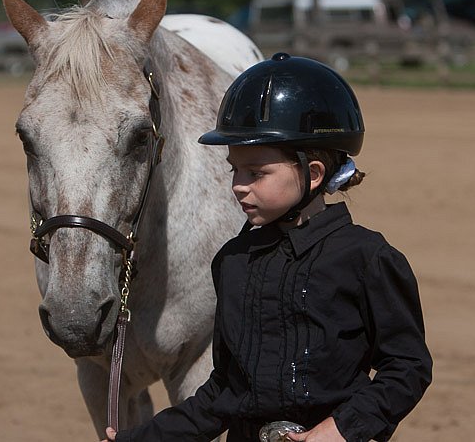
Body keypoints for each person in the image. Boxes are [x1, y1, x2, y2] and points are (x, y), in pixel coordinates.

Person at [103, 53, 432, 442]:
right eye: (234, 169)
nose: (238, 185)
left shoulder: (367, 259)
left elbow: (407, 367)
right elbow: (224, 391)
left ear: (312, 174)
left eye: (256, 173)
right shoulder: (233, 261)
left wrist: (343, 428)